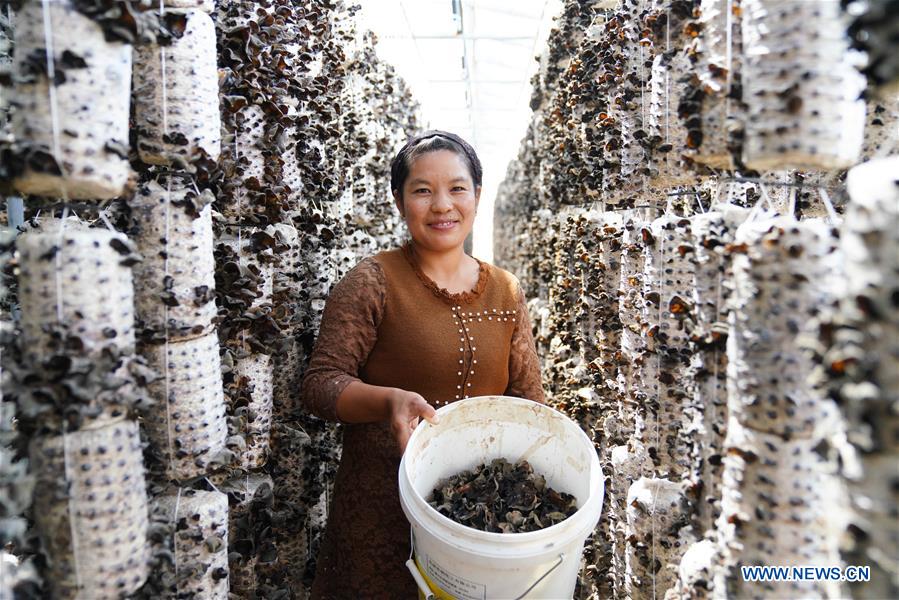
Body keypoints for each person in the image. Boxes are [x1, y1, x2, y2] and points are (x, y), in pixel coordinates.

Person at [301, 130, 545, 598]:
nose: (442, 205)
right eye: (422, 190)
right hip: (381, 508)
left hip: (476, 516)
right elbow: (320, 384)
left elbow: (529, 401)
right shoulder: (372, 281)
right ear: (399, 201)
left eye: (457, 188)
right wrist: (388, 401)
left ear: (477, 194)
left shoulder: (506, 291)